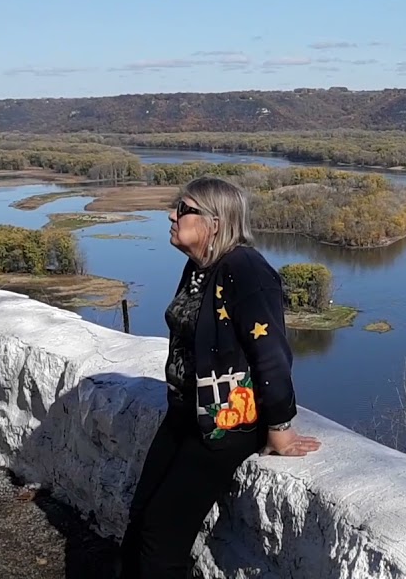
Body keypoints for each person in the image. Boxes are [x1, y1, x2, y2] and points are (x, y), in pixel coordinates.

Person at [118, 176, 321, 578]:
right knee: (140, 518)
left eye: (184, 209)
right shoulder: (200, 268)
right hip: (184, 416)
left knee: (160, 539)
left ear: (214, 222)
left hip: (224, 426)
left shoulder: (246, 270)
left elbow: (272, 355)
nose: (171, 215)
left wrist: (280, 428)